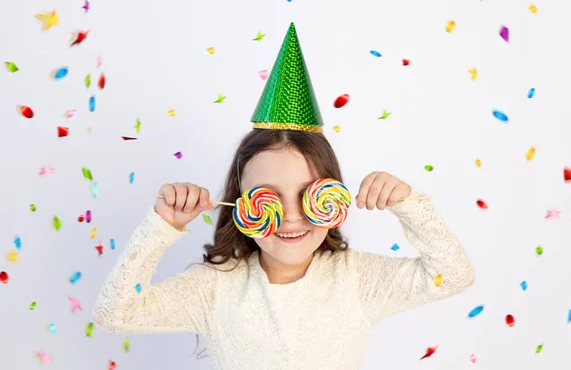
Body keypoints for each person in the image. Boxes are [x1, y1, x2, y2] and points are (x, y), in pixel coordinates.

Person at [92, 23, 475, 369]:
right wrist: (161, 228)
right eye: (269, 198)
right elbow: (115, 314)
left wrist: (407, 204)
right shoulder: (214, 288)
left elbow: (454, 276)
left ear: (333, 196)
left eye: (308, 194)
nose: (292, 217)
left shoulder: (358, 280)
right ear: (240, 204)